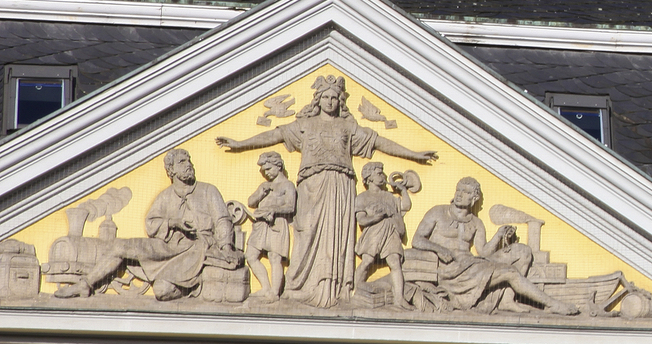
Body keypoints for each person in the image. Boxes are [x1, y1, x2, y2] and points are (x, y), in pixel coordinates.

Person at [216, 75, 437, 307]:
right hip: (311, 186)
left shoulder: (347, 127)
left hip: (339, 187)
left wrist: (414, 154)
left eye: (334, 97)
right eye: (326, 97)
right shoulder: (306, 124)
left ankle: (334, 289)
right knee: (306, 231)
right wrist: (241, 143)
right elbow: (275, 135)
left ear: (340, 101)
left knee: (336, 235)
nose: (330, 101)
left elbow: (380, 142)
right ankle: (299, 287)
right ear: (318, 99)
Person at [53, 150, 242, 301]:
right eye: (182, 162)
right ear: (171, 170)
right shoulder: (165, 196)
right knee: (119, 246)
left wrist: (226, 246)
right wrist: (173, 222)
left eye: (189, 160)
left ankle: (195, 284)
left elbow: (222, 220)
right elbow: (151, 224)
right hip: (166, 247)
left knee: (161, 291)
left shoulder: (208, 191)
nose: (189, 165)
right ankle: (85, 284)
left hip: (195, 250)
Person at [409, 177, 578, 315]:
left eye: (466, 192)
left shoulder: (476, 223)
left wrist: (499, 235)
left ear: (474, 198)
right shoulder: (438, 212)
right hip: (450, 271)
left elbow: (483, 252)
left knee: (523, 251)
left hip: (471, 265)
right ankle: (552, 304)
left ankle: (506, 300)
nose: (460, 194)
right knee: (510, 272)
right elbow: (417, 240)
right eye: (458, 190)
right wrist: (440, 249)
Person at [354, 162, 413, 309]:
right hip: (374, 232)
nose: (383, 176)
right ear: (369, 177)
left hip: (391, 230)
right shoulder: (362, 198)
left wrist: (403, 191)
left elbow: (405, 206)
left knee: (395, 262)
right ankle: (355, 291)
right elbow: (361, 219)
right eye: (379, 173)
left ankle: (399, 299)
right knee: (367, 261)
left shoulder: (389, 196)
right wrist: (374, 218)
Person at [244, 151, 296, 300]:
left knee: (275, 257)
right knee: (251, 255)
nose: (266, 173)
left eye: (268, 169)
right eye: (264, 170)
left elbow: (291, 207)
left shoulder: (287, 185)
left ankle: (274, 292)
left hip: (277, 224)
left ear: (278, 166)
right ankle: (265, 287)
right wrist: (261, 193)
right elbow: (251, 202)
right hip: (261, 225)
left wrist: (273, 210)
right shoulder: (265, 185)